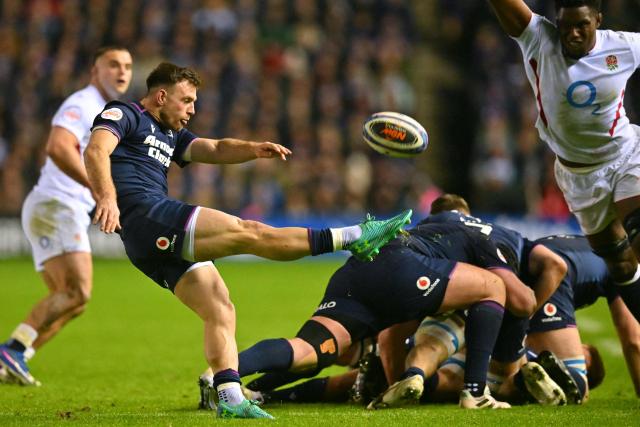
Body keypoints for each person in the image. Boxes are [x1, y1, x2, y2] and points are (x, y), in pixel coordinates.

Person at [83, 62, 411, 419]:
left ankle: (228, 396)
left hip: (146, 242)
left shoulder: (170, 133)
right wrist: (106, 198)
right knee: (249, 233)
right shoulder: (125, 113)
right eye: (187, 100)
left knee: (219, 306)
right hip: (150, 216)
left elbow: (215, 148)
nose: (192, 109)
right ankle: (355, 236)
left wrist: (253, 149)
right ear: (162, 96)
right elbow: (96, 151)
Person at [235, 217, 543, 410]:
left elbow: (394, 330)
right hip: (401, 267)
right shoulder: (484, 235)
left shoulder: (429, 231)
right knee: (492, 286)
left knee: (313, 348)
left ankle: (226, 377)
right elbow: (523, 302)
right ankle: (475, 393)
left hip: (359, 267)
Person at [486, 0, 640, 324]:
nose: (572, 34)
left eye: (582, 25)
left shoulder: (624, 47)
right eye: (565, 25)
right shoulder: (539, 39)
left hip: (626, 156)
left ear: (598, 20)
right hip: (578, 175)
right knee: (621, 265)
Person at [0, 46, 133, 386]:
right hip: (57, 204)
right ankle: (12, 348)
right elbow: (58, 147)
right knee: (78, 292)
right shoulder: (83, 104)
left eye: (128, 66)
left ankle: (14, 359)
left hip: (55, 207)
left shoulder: (108, 111)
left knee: (73, 302)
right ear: (94, 71)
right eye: (113, 64)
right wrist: (98, 188)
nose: (121, 71)